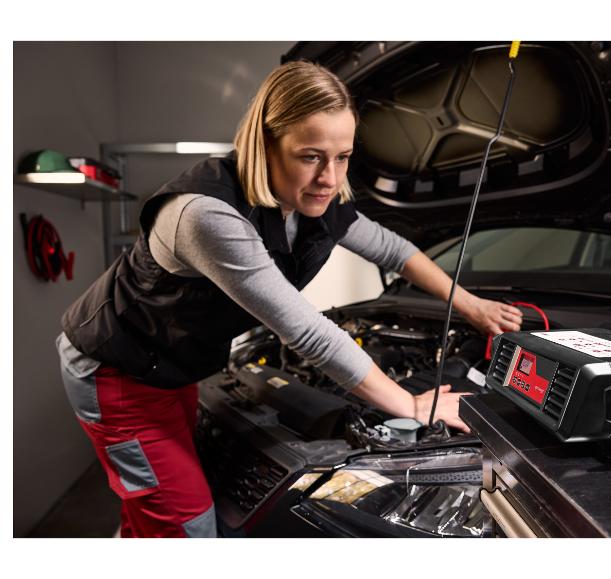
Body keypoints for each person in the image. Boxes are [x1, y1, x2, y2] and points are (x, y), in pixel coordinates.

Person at [56, 60, 523, 538]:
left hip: (174, 363)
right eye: (311, 156)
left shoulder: (319, 201)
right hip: (116, 371)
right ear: (265, 143)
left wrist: (472, 305)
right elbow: (305, 331)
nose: (330, 178)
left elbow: (393, 250)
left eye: (343, 157)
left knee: (156, 501)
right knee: (187, 524)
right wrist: (412, 405)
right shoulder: (207, 215)